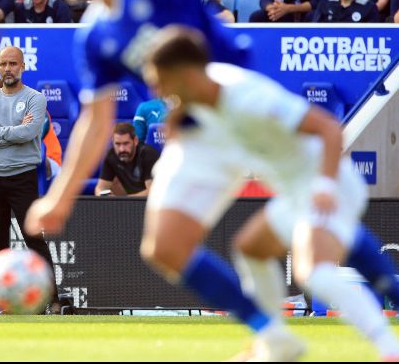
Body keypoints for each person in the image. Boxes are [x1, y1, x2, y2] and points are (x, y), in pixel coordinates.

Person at [22, 0, 296, 361]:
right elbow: (96, 121)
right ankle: (272, 334)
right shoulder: (93, 35)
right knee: (164, 248)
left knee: (324, 212)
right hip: (197, 131)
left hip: (241, 103)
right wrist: (61, 197)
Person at [140, 25, 399, 361]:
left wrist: (322, 187)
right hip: (295, 190)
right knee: (251, 248)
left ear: (186, 74)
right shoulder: (200, 93)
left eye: (161, 81)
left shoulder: (249, 98)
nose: (156, 90)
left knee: (313, 271)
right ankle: (274, 342)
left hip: (327, 182)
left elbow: (328, 130)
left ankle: (388, 348)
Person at [0, 47, 59, 310]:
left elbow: (29, 133)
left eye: (12, 63)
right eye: (3, 64)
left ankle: (52, 301)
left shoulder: (36, 98)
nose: (7, 68)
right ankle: (3, 302)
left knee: (34, 239)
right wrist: (14, 132)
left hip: (22, 178)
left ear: (22, 66)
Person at [94, 122, 159, 196]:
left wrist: (125, 200)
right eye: (117, 144)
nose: (122, 149)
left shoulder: (148, 154)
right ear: (113, 142)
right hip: (127, 200)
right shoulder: (111, 155)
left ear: (135, 141)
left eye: (126, 143)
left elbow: (153, 192)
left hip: (150, 204)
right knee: (112, 182)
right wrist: (104, 196)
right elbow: (100, 187)